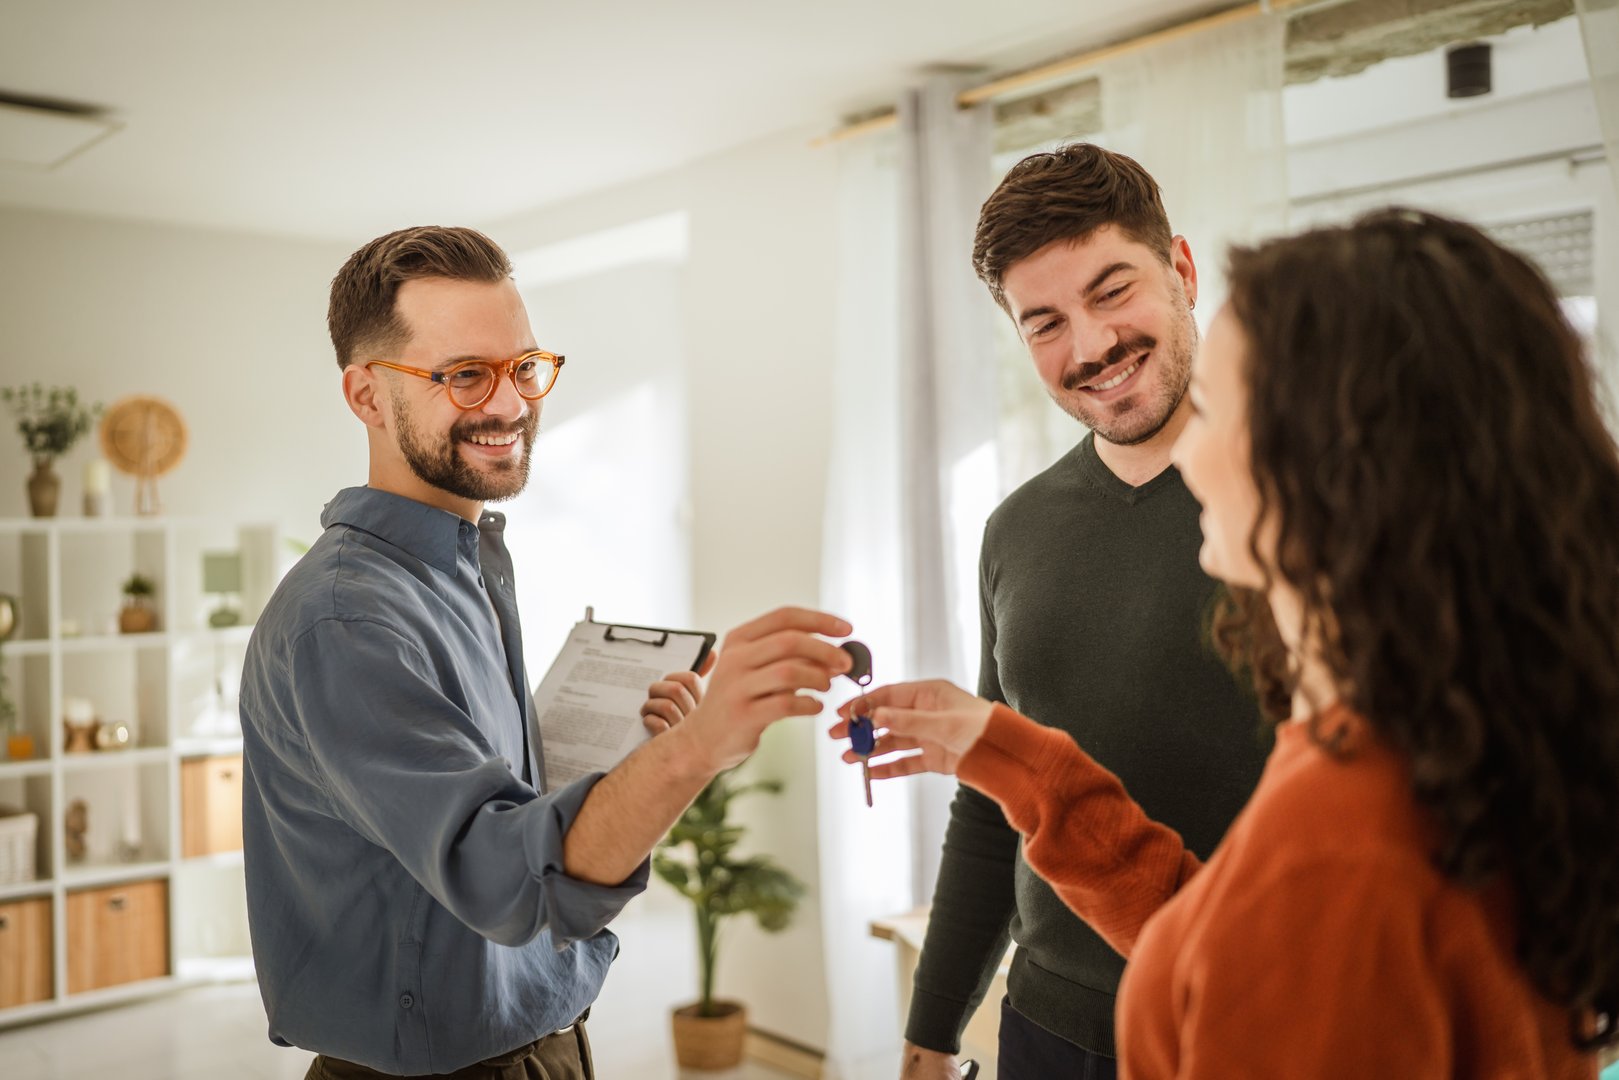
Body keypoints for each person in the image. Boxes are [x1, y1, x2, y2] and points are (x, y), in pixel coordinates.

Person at [835, 208, 1619, 1078]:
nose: (1190, 454)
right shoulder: (1401, 750)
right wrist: (1001, 753)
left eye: (1219, 407)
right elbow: (1230, 937)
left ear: (1331, 467)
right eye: (1046, 321)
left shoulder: (1356, 836)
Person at [240, 225, 852, 1080]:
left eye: (522, 366)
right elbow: (507, 881)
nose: (509, 403)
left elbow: (503, 810)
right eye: (463, 375)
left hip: (546, 1045)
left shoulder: (464, 563)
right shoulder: (348, 619)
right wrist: (697, 748)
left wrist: (636, 762)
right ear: (367, 395)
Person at [901, 145, 1268, 1079]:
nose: (1091, 347)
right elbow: (994, 804)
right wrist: (930, 1033)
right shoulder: (1015, 530)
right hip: (1048, 1029)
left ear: (1181, 270)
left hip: (1245, 1021)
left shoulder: (1293, 508)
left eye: (1113, 293)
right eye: (1046, 323)